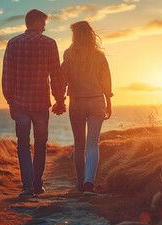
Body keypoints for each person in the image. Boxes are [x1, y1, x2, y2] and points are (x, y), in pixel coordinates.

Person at [2, 9, 66, 198]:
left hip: (20, 104)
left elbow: (7, 77)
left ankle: (27, 187)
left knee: (23, 145)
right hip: (40, 104)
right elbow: (56, 75)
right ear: (37, 22)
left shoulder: (13, 43)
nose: (45, 28)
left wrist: (10, 102)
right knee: (40, 144)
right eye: (44, 23)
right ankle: (37, 185)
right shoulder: (50, 44)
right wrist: (59, 100)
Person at [61, 21, 113, 196]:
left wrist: (59, 99)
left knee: (79, 144)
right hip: (97, 100)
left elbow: (63, 78)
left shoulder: (69, 54)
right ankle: (89, 184)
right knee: (92, 144)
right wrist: (109, 102)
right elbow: (106, 81)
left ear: (75, 35)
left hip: (76, 102)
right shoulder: (99, 55)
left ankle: (80, 183)